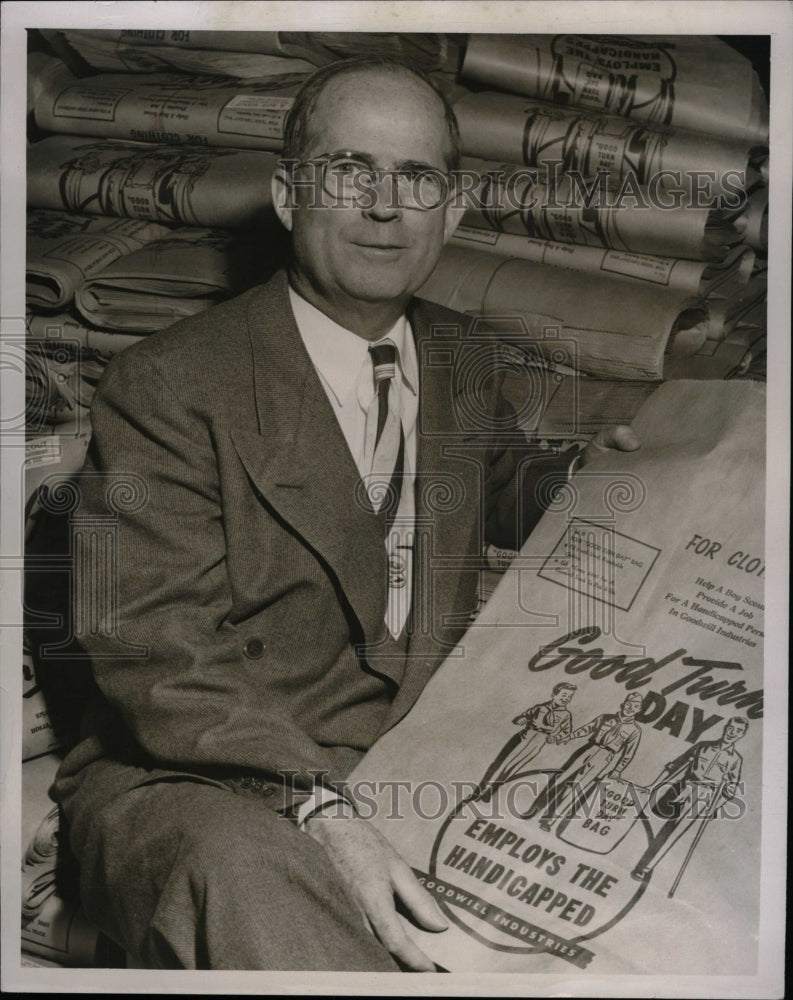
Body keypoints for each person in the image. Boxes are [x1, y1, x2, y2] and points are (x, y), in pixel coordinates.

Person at [50, 57, 640, 971]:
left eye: (417, 178)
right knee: (245, 867)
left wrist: (658, 469)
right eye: (350, 171)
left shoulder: (461, 359)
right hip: (196, 774)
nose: (384, 206)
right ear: (289, 195)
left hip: (410, 760)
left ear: (452, 207)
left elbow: (522, 491)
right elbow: (150, 643)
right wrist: (315, 807)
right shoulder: (165, 383)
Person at [631, 716, 748, 882]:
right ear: (725, 727)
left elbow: (731, 789)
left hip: (702, 796)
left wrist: (715, 807)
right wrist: (653, 785)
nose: (732, 733)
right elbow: (677, 764)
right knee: (658, 820)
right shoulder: (703, 746)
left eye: (738, 731)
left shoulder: (735, 759)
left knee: (672, 832)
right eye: (730, 728)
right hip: (682, 787)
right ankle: (639, 861)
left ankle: (644, 867)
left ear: (742, 735)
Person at [535, 691, 644, 831]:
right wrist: (569, 737)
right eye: (629, 704)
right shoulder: (606, 717)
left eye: (635, 706)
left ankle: (548, 821)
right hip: (589, 748)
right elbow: (587, 729)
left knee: (575, 789)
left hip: (604, 757)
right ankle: (535, 809)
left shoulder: (635, 730)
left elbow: (628, 753)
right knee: (560, 780)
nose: (631, 708)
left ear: (639, 710)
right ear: (623, 704)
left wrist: (617, 770)